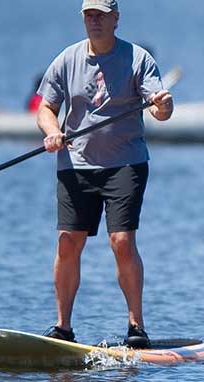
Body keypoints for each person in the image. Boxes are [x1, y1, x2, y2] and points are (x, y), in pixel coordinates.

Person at [35, 0, 174, 348]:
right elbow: (46, 108)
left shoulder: (138, 59)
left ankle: (136, 327)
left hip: (125, 163)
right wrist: (51, 131)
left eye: (101, 15)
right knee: (69, 241)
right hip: (75, 164)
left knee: (122, 242)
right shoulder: (67, 59)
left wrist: (163, 106)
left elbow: (159, 110)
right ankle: (63, 327)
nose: (94, 21)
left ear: (116, 19)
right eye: (88, 15)